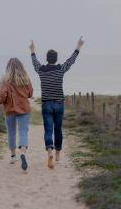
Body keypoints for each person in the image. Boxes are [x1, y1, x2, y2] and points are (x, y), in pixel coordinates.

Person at [29, 36, 85, 169]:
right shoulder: (61, 69)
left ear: (47, 59)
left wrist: (32, 50)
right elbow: (71, 61)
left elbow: (34, 62)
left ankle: (50, 152)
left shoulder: (41, 70)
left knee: (48, 129)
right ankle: (58, 154)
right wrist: (78, 47)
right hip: (59, 104)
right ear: (56, 59)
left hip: (46, 104)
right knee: (58, 129)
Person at [0, 58, 33, 171]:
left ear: (8, 67)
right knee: (23, 131)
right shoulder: (25, 77)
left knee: (11, 132)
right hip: (24, 108)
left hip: (10, 109)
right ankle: (23, 152)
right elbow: (30, 93)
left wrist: (1, 101)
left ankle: (13, 156)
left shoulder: (5, 80)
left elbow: (2, 95)